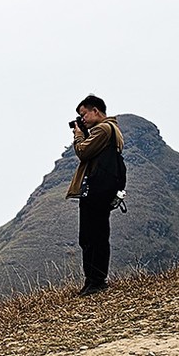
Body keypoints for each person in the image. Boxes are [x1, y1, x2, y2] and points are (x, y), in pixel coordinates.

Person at [66, 95, 124, 295]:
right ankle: (93, 280)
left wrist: (78, 135)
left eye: (83, 114)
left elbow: (83, 152)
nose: (82, 119)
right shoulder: (112, 130)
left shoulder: (103, 129)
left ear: (96, 111)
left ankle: (96, 280)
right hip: (102, 189)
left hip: (97, 190)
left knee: (93, 236)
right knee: (93, 235)